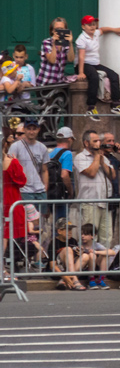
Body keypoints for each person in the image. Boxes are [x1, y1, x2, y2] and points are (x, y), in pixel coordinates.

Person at [76, 14, 120, 117]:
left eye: (94, 24)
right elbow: (81, 57)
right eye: (89, 25)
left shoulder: (95, 34)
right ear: (83, 26)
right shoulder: (81, 39)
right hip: (84, 64)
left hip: (95, 64)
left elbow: (103, 29)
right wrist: (81, 72)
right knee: (94, 77)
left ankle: (116, 104)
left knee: (114, 76)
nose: (92, 27)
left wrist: (114, 30)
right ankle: (91, 106)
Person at [74, 130, 114, 247]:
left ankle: (104, 263)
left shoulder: (102, 158)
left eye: (99, 141)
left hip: (104, 202)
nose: (98, 144)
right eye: (95, 141)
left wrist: (102, 160)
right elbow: (91, 173)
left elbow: (112, 175)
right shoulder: (80, 157)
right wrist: (97, 157)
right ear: (86, 143)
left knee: (106, 237)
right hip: (90, 202)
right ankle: (89, 262)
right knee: (89, 237)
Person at [8, 119, 48, 222]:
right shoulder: (15, 147)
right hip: (24, 191)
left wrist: (45, 188)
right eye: (29, 129)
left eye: (34, 129)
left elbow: (44, 170)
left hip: (40, 191)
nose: (31, 131)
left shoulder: (42, 147)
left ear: (38, 130)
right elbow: (9, 168)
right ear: (24, 130)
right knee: (27, 223)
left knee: (42, 222)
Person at [2, 132, 27, 280]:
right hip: (10, 200)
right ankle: (2, 270)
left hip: (4, 200)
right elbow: (22, 181)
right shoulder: (11, 162)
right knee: (4, 238)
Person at [45, 217, 90, 290]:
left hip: (70, 269)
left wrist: (80, 253)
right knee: (68, 249)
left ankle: (63, 281)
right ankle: (74, 280)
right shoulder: (53, 243)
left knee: (85, 256)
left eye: (71, 229)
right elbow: (52, 265)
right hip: (59, 271)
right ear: (59, 231)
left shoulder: (73, 241)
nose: (70, 232)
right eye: (67, 230)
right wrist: (63, 276)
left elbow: (76, 259)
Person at [37, 17, 78, 86]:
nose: (59, 32)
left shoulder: (66, 44)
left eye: (62, 29)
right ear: (52, 31)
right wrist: (54, 44)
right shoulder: (46, 42)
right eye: (57, 29)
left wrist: (70, 43)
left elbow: (71, 59)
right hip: (45, 83)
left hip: (59, 82)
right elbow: (52, 60)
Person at [47, 126, 76, 224]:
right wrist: (71, 191)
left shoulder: (50, 154)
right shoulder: (67, 153)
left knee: (52, 223)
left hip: (50, 193)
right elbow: (64, 175)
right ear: (69, 139)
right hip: (61, 194)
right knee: (61, 224)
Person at [79, 222, 116, 289]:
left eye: (86, 234)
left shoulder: (96, 245)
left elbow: (112, 252)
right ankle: (91, 280)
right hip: (84, 270)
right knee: (92, 255)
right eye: (82, 234)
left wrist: (96, 252)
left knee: (104, 254)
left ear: (93, 236)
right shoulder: (79, 244)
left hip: (94, 268)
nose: (83, 236)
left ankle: (101, 279)